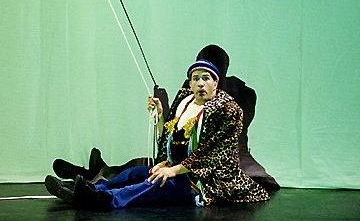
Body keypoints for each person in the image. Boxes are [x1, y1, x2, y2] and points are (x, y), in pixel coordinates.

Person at [45, 58, 270, 210]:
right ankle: (91, 188)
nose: (200, 83)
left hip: (205, 182)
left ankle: (103, 200)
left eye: (206, 78)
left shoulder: (227, 110)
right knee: (135, 173)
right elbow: (170, 138)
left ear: (216, 82)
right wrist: (161, 116)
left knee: (155, 183)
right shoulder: (186, 102)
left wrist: (172, 170)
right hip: (180, 170)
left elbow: (210, 154)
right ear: (190, 83)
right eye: (196, 78)